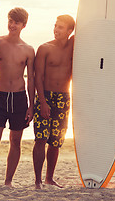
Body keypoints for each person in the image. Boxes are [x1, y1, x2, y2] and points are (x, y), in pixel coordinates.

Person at [0, 7, 35, 187]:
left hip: (19, 98)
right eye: (10, 21)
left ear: (24, 25)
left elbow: (31, 81)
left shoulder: (28, 50)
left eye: (16, 22)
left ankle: (8, 181)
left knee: (15, 142)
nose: (12, 25)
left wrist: (32, 105)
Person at [32, 15, 75, 189]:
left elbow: (90, 22)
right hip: (46, 96)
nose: (56, 30)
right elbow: (38, 77)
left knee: (56, 141)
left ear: (70, 31)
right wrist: (42, 101)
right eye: (55, 26)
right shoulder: (45, 48)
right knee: (40, 138)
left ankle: (49, 178)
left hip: (63, 97)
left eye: (61, 27)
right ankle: (37, 180)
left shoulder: (74, 45)